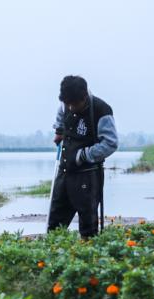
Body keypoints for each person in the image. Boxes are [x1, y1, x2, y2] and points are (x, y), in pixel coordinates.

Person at [48, 75, 118, 238]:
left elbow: (110, 143)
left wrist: (83, 155)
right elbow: (61, 116)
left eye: (74, 104)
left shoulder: (102, 110)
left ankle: (89, 256)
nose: (70, 108)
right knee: (55, 224)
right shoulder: (66, 104)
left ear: (84, 97)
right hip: (64, 171)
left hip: (88, 175)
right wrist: (59, 131)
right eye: (67, 103)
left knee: (88, 227)